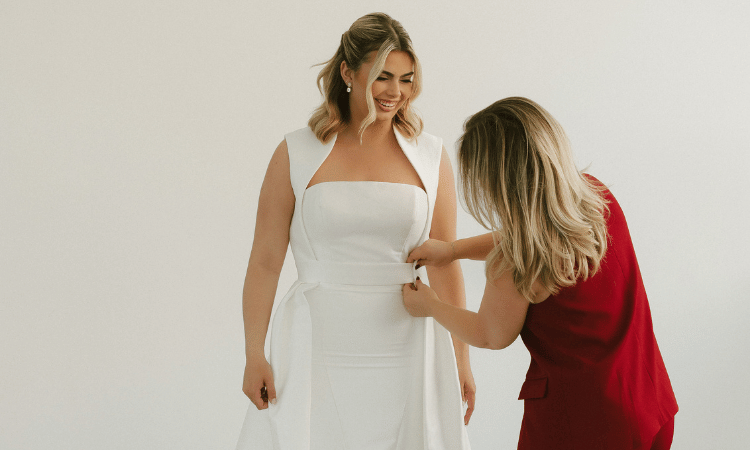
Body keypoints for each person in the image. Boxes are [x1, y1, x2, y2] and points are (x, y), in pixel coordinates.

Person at [236, 13, 473, 449]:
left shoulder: (430, 154)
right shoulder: (296, 151)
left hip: (409, 339)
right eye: (383, 76)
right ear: (348, 72)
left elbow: (446, 265)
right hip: (316, 340)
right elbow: (265, 262)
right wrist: (254, 354)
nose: (396, 92)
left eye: (406, 78)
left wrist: (461, 359)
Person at [402, 97, 678, 450]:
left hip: (581, 427)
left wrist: (431, 306)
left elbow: (490, 334)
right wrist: (454, 250)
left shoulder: (516, 262)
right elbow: (535, 232)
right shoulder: (595, 199)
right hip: (647, 402)